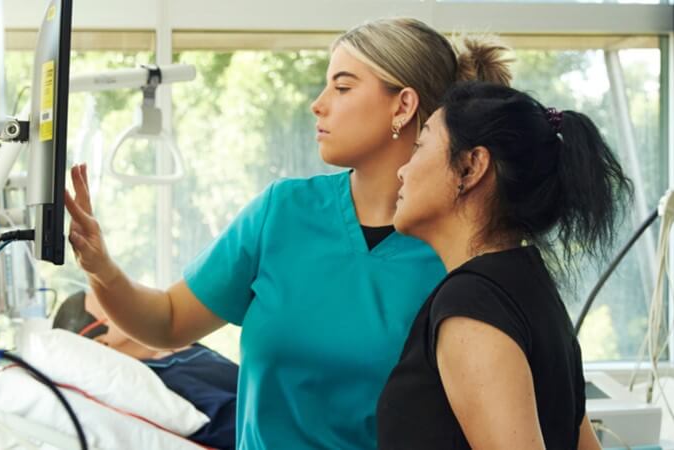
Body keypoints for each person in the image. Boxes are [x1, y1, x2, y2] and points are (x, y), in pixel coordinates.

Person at [64, 18, 512, 449]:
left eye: (342, 87)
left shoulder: (459, 247)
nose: (318, 103)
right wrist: (101, 268)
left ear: (403, 106)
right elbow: (165, 322)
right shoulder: (282, 213)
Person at [377, 81, 633, 449]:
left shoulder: (471, 304)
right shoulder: (530, 285)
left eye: (419, 146)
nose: (403, 170)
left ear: (471, 166)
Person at [52, 290, 238, 450]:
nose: (126, 302)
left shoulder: (179, 345)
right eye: (110, 306)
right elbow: (233, 426)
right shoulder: (162, 382)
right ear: (100, 343)